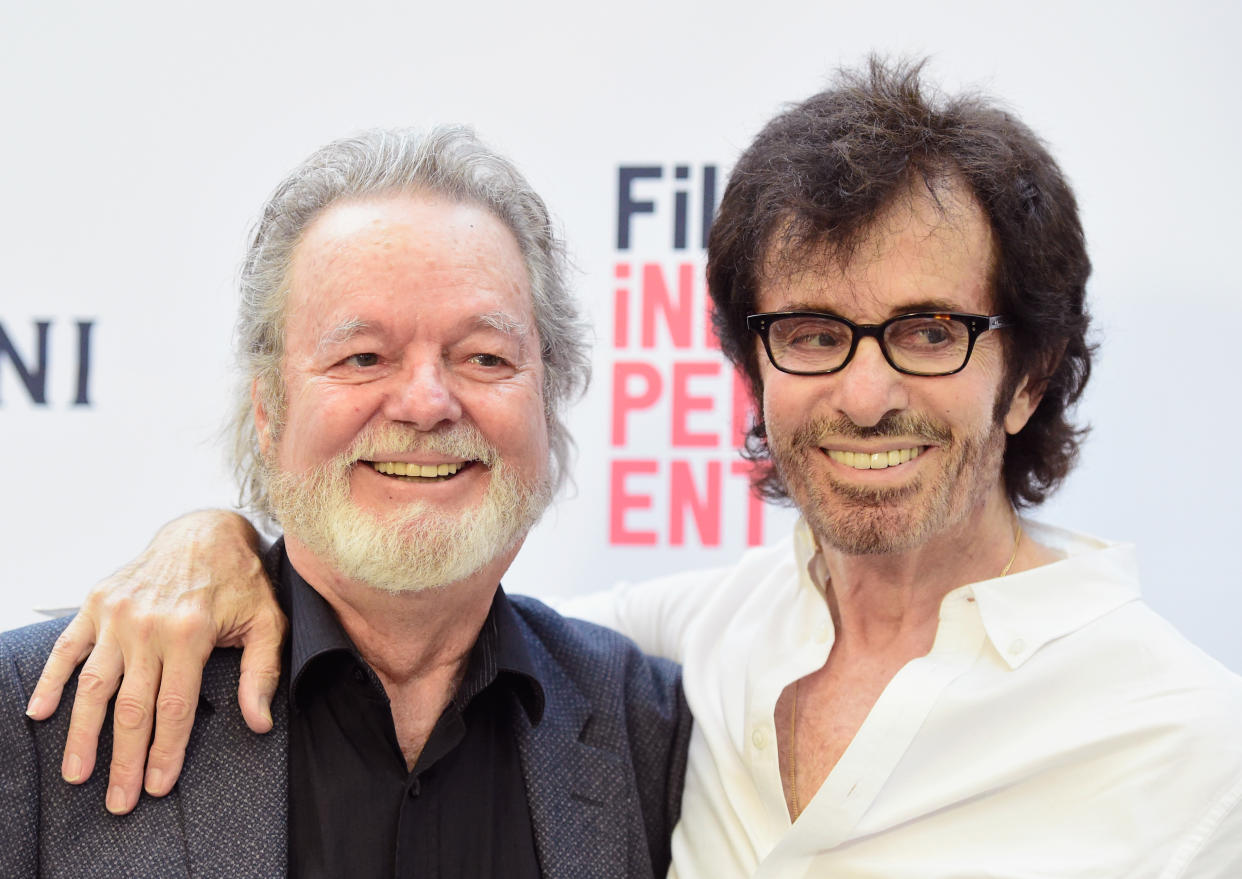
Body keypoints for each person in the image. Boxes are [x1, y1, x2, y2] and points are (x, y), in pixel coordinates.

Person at [25, 59, 1242, 876]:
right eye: (814, 332)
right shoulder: (675, 661)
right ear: (756, 370)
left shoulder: (1190, 741)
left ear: (1026, 373)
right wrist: (218, 536)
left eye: (930, 331)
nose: (868, 391)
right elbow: (398, 585)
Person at [0, 126, 690, 878]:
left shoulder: (645, 730)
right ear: (269, 411)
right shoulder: (39, 712)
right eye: (363, 356)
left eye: (484, 357)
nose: (427, 404)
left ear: (547, 401)